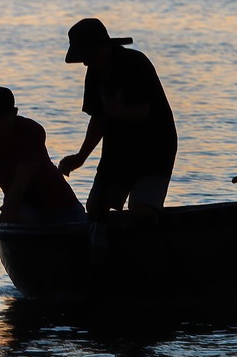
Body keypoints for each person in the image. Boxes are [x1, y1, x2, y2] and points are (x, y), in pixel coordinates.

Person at [56, 17, 178, 212]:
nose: (85, 62)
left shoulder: (135, 63)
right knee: (97, 207)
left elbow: (144, 112)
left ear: (103, 48)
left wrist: (118, 112)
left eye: (88, 55)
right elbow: (98, 119)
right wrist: (81, 156)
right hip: (118, 149)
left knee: (142, 208)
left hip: (155, 147)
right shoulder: (94, 72)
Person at [0, 86, 85, 234]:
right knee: (18, 215)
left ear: (14, 113)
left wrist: (3, 218)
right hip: (21, 208)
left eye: (0, 117)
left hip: (62, 208)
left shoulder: (31, 131)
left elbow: (22, 180)